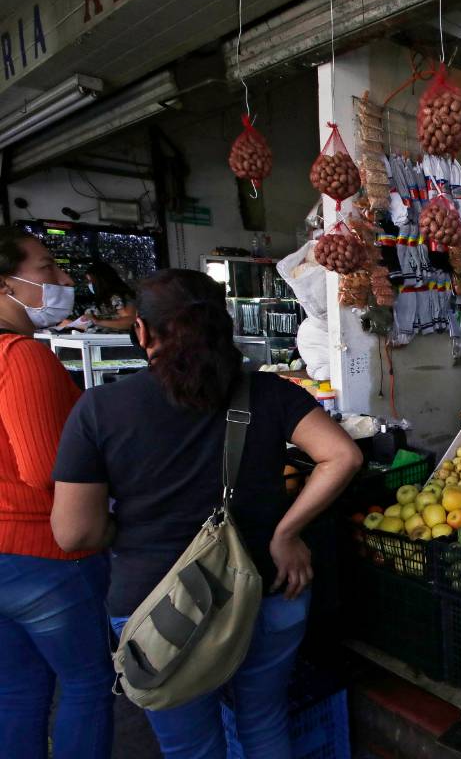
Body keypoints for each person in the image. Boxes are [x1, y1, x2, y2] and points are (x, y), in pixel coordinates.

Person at [51, 269, 362, 759]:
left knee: (191, 746)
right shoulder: (269, 392)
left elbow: (74, 533)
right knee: (263, 721)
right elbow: (342, 455)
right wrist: (287, 532)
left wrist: (128, 529)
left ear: (143, 333)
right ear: (225, 325)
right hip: (268, 586)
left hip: (160, 607)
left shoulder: (100, 408)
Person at [0, 228, 114, 758]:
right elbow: (48, 470)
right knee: (89, 685)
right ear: (6, 284)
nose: (63, 280)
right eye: (47, 268)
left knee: (19, 690)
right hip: (45, 555)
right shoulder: (20, 356)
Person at [79, 261, 137, 331]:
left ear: (100, 281)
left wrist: (98, 321)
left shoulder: (118, 297)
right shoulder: (105, 298)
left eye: (91, 281)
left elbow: (129, 321)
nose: (89, 285)